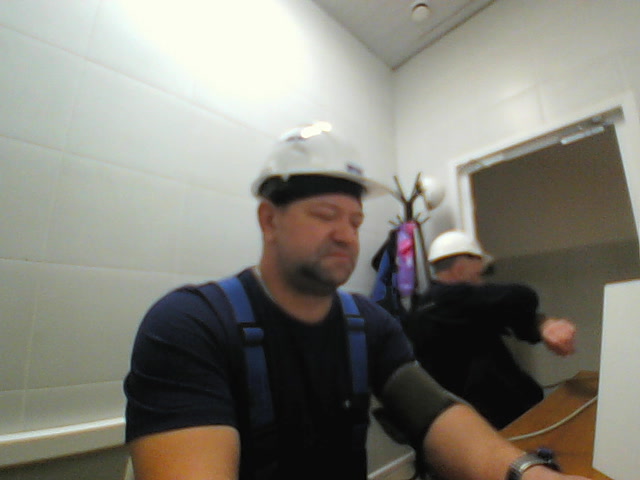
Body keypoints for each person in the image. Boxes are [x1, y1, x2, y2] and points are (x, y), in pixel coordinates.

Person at [123, 122, 591, 480]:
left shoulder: (367, 322)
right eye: (326, 215)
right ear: (269, 220)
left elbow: (437, 415)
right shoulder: (192, 324)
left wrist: (527, 474)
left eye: (355, 221)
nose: (346, 235)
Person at [405, 229, 578, 429]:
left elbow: (510, 319)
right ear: (460, 269)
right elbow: (522, 296)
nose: (482, 282)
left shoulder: (442, 308)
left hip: (481, 422)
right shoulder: (447, 301)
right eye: (479, 274)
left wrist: (543, 325)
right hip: (493, 423)